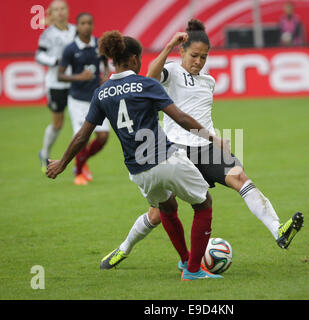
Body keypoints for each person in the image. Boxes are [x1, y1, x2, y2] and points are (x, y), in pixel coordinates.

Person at [110, 19, 304, 269]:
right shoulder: (172, 72)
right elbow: (151, 76)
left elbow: (201, 115)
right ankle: (124, 248)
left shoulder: (208, 81)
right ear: (182, 52)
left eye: (203, 57)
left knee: (241, 178)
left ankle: (279, 231)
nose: (198, 62)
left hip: (207, 148)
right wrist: (169, 46)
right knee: (158, 213)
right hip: (175, 151)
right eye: (194, 55)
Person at [46, 30, 230, 281]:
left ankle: (187, 260)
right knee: (203, 204)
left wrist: (62, 163)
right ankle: (194, 270)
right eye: (140, 57)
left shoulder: (102, 93)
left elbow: (82, 136)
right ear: (133, 59)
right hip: (166, 158)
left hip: (138, 171)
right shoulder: (147, 84)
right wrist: (211, 137)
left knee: (167, 207)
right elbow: (181, 118)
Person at [57, 12, 110, 185]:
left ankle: (80, 161)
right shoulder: (70, 49)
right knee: (82, 137)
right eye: (83, 23)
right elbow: (60, 75)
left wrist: (105, 76)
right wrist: (78, 77)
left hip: (96, 97)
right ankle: (79, 173)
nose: (86, 26)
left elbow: (106, 66)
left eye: (89, 23)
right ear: (77, 26)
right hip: (78, 100)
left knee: (102, 137)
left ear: (92, 25)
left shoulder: (98, 44)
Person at [36, 0, 76, 173]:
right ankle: (44, 152)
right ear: (51, 14)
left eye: (62, 9)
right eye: (56, 10)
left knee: (80, 124)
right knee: (58, 124)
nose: (60, 12)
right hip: (56, 84)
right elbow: (39, 55)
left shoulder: (76, 30)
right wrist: (55, 61)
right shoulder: (47, 35)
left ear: (67, 11)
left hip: (76, 82)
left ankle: (80, 164)